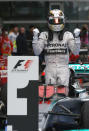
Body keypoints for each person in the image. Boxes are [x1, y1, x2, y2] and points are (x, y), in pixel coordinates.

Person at [32, 9, 81, 95]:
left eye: (59, 20)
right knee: (49, 94)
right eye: (53, 20)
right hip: (49, 68)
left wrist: (77, 38)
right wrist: (35, 37)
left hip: (63, 68)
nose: (56, 22)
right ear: (49, 21)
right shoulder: (44, 35)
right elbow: (37, 52)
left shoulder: (67, 34)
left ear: (63, 20)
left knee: (63, 93)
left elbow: (76, 51)